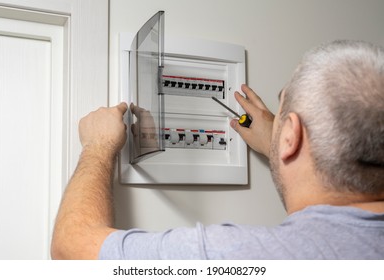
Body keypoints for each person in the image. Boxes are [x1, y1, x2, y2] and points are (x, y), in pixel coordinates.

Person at [51, 40, 384, 260]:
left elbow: (70, 248)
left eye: (281, 115)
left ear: (292, 136)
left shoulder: (236, 255)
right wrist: (278, 144)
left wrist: (98, 146)